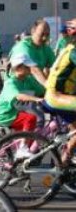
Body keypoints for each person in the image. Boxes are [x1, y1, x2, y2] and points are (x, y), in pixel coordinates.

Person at [44, 18, 76, 165]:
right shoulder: (74, 51)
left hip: (62, 95)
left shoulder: (70, 47)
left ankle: (65, 165)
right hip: (56, 97)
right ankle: (64, 159)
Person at [0, 54, 44, 134]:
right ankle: (23, 145)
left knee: (37, 123)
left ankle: (26, 142)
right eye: (27, 67)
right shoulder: (10, 83)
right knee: (30, 119)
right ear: (18, 68)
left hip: (17, 111)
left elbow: (41, 91)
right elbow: (19, 97)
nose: (30, 69)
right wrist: (37, 99)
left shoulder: (28, 79)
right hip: (5, 115)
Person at [9, 19, 55, 87]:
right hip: (20, 90)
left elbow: (55, 67)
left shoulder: (46, 48)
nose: (44, 38)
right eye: (42, 34)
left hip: (37, 91)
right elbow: (34, 69)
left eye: (47, 35)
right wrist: (49, 86)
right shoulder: (23, 47)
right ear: (33, 32)